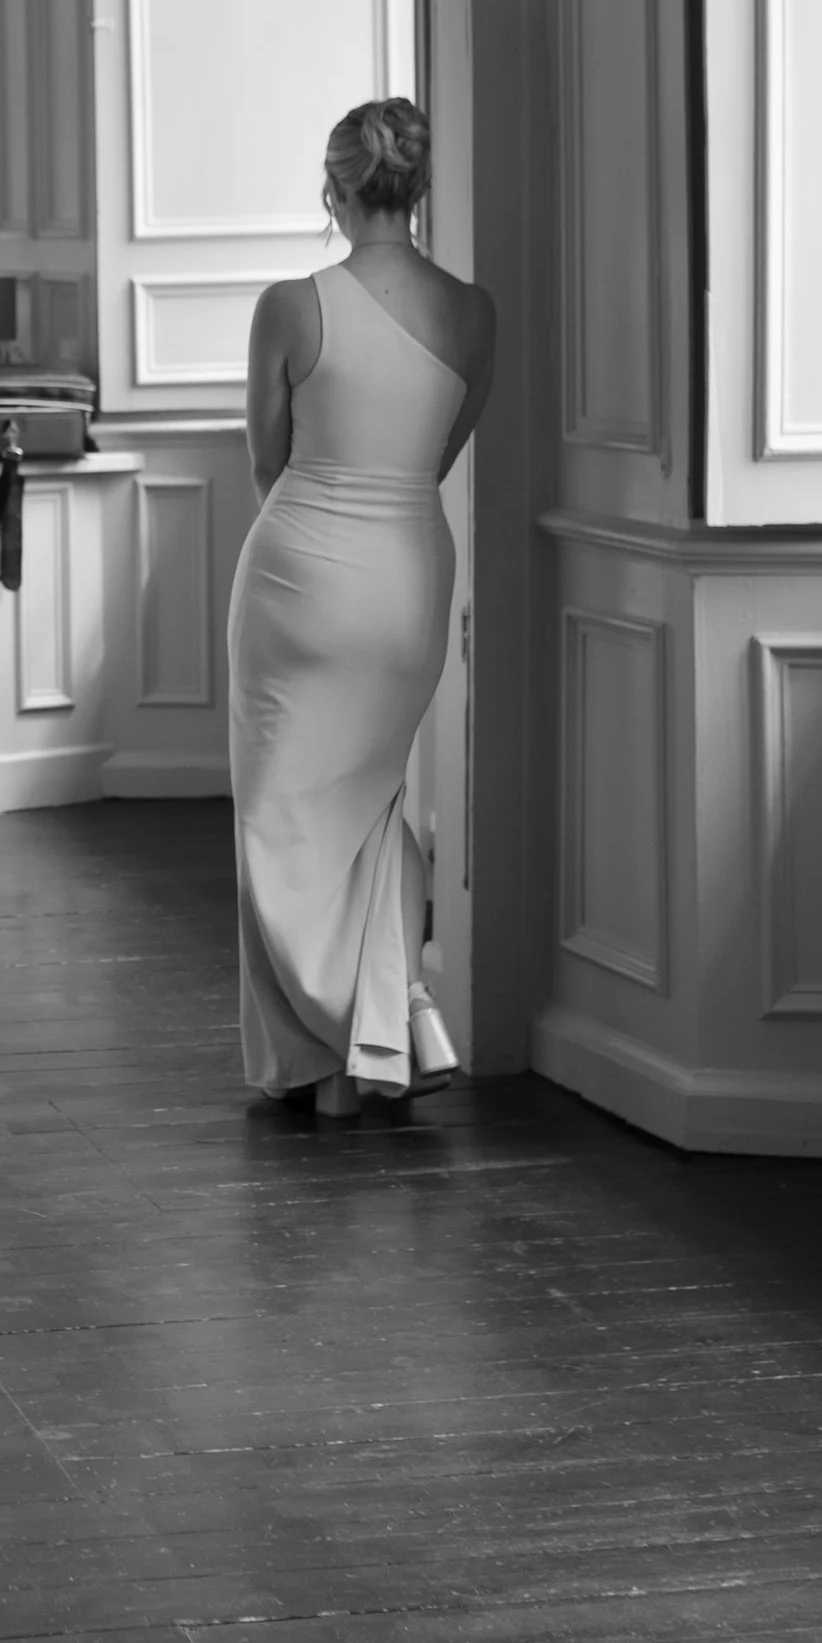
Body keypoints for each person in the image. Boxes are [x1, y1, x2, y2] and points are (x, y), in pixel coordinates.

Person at [228, 96, 495, 1122]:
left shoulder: (291, 303)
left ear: (334, 188)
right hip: (408, 572)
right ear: (416, 187)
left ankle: (320, 1051)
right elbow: (437, 456)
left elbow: (266, 457)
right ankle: (374, 1045)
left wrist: (314, 537)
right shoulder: (474, 312)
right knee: (373, 804)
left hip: (300, 571)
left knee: (278, 818)